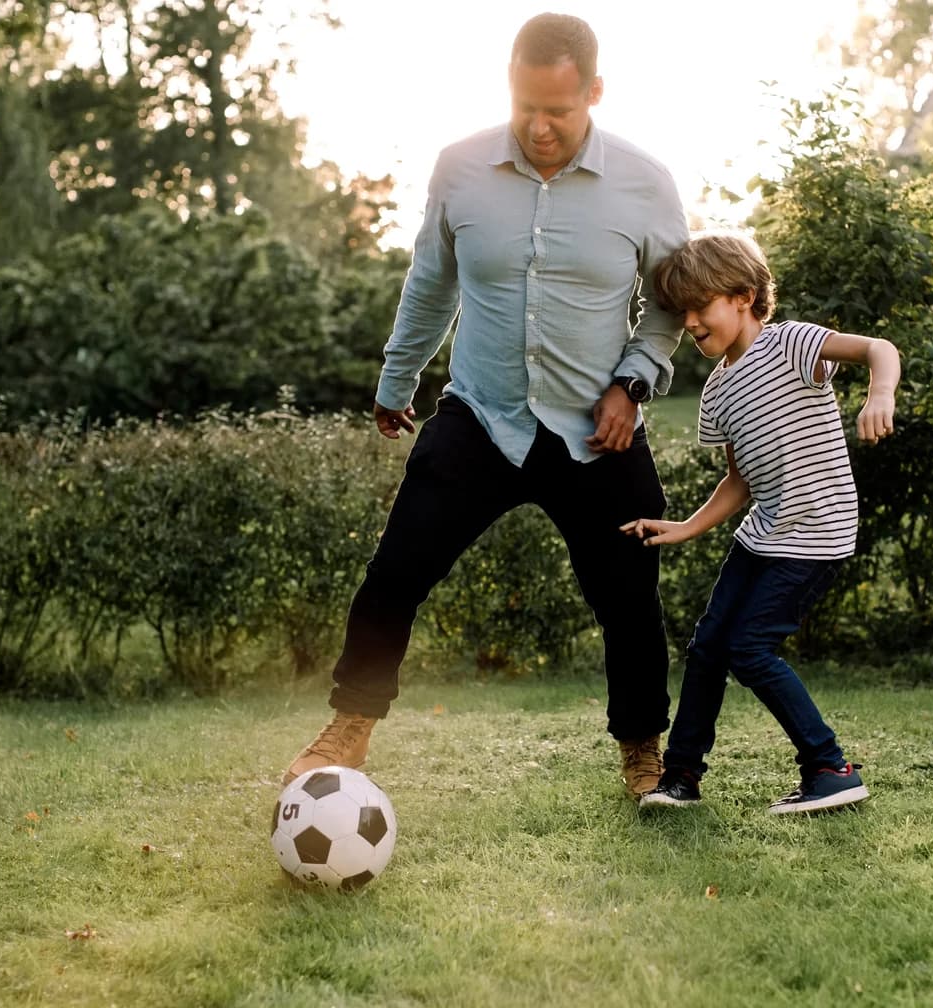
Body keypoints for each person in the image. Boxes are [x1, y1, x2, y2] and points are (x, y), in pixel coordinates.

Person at [282, 13, 689, 799]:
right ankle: (349, 727)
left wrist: (633, 383)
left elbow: (671, 302)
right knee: (394, 573)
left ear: (595, 93)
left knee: (630, 599)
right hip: (481, 417)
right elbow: (432, 281)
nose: (539, 126)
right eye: (525, 106)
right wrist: (397, 379)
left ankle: (642, 751)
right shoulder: (460, 168)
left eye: (559, 112)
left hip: (595, 427)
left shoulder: (645, 181)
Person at [622, 233, 901, 814]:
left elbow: (880, 349)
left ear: (745, 295)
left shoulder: (792, 343)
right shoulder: (717, 391)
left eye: (702, 307)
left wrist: (880, 396)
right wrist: (684, 527)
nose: (691, 322)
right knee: (707, 649)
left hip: (817, 532)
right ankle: (681, 778)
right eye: (683, 312)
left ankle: (830, 769)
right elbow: (738, 482)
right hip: (764, 532)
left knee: (749, 649)